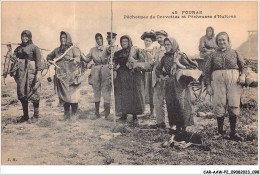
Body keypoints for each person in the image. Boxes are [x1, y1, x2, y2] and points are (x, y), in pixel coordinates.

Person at [204, 32, 246, 141]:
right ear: (217, 42)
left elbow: (243, 66)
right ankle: (220, 132)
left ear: (228, 41)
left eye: (224, 40)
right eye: (219, 40)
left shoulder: (235, 52)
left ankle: (233, 133)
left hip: (234, 80)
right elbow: (207, 71)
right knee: (219, 103)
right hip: (218, 81)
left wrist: (242, 75)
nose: (222, 42)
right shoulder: (212, 55)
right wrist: (208, 85)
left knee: (233, 104)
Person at [156, 37, 197, 133]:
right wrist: (162, 77)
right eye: (165, 45)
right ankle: (175, 126)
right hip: (170, 83)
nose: (166, 46)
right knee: (171, 104)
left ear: (173, 45)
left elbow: (193, 67)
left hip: (180, 83)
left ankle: (184, 126)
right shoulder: (164, 57)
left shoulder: (180, 55)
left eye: (168, 44)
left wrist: (178, 64)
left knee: (182, 104)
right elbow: (157, 69)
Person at [47, 31, 85, 120]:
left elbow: (78, 58)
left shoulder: (73, 49)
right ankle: (66, 114)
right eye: (61, 38)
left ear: (68, 39)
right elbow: (49, 56)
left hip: (72, 75)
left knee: (73, 96)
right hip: (61, 76)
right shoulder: (57, 50)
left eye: (64, 38)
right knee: (64, 96)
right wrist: (51, 61)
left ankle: (75, 114)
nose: (62, 39)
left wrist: (74, 60)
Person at [11, 30, 42, 123]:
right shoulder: (18, 48)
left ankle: (36, 116)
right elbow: (13, 57)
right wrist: (10, 50)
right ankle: (25, 116)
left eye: (26, 36)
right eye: (23, 36)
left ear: (29, 37)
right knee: (22, 93)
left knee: (34, 91)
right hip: (21, 74)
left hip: (32, 73)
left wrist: (39, 72)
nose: (24, 38)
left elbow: (38, 60)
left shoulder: (34, 48)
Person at [113, 35, 145, 122]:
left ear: (129, 42)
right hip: (122, 76)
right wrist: (113, 66)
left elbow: (142, 60)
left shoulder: (135, 51)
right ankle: (124, 114)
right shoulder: (117, 53)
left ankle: (134, 116)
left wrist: (135, 63)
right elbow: (115, 63)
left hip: (133, 75)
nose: (124, 43)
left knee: (133, 95)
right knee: (123, 94)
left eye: (126, 41)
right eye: (122, 41)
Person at [150, 30, 168, 129]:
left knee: (167, 101)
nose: (159, 39)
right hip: (156, 78)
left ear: (166, 36)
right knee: (157, 101)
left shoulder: (169, 47)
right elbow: (154, 63)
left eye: (160, 37)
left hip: (165, 77)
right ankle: (160, 122)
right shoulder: (157, 49)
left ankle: (171, 124)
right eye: (157, 38)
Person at [140, 31, 157, 117]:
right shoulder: (141, 51)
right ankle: (144, 110)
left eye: (149, 41)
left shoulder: (154, 50)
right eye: (146, 40)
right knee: (145, 91)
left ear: (152, 42)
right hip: (144, 73)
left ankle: (152, 112)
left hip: (151, 73)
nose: (147, 42)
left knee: (152, 92)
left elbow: (154, 61)